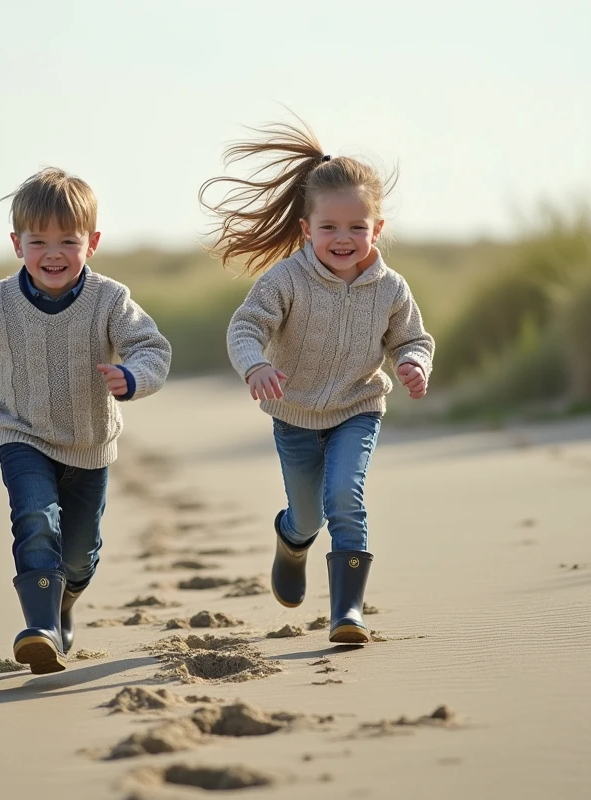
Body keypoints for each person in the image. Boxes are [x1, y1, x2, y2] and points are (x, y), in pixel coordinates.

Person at [0, 167, 172, 673]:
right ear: (17, 244)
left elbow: (151, 347)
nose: (53, 253)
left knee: (80, 555)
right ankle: (42, 627)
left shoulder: (110, 299)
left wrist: (134, 376)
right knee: (34, 520)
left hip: (89, 445)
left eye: (68, 240)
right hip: (21, 436)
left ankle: (63, 601)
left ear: (92, 243)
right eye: (38, 241)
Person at [201, 118, 434, 644]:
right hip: (295, 415)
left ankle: (347, 612)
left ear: (377, 228)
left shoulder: (391, 289)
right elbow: (245, 327)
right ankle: (291, 540)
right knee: (308, 516)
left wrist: (414, 364)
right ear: (307, 229)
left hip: (358, 408)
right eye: (329, 227)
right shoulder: (286, 280)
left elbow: (413, 339)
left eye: (356, 227)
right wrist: (256, 365)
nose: (343, 239)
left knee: (345, 497)